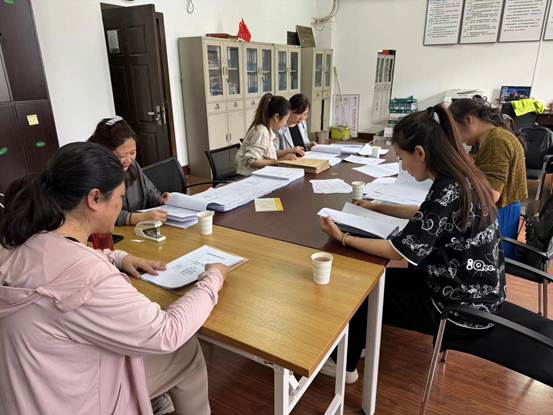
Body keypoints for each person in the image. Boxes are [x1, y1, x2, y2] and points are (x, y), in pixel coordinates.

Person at [0, 142, 229, 414]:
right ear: (95, 199)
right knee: (184, 351)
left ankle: (156, 400)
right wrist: (213, 278)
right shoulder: (90, 277)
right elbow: (166, 332)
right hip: (80, 401)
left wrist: (117, 257)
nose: (122, 205)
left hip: (33, 390)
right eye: (120, 196)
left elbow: (58, 264)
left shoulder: (21, 241)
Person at [319, 105, 506, 384]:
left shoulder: (448, 187)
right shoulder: (461, 176)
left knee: (365, 288)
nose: (403, 166)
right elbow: (429, 214)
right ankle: (361, 339)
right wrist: (378, 206)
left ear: (420, 152)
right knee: (383, 283)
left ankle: (344, 366)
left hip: (460, 307)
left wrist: (344, 238)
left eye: (401, 158)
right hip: (479, 291)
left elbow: (399, 251)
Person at [450, 98, 527, 258]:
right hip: (499, 208)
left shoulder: (496, 141)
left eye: (456, 131)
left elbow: (491, 194)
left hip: (500, 211)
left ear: (469, 120)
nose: (459, 139)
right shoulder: (490, 137)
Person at [89, 116, 169, 226]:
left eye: (132, 153)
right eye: (121, 156)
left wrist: (161, 199)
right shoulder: (94, 174)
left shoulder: (133, 165)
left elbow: (150, 192)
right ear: (104, 152)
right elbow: (99, 213)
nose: (128, 160)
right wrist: (135, 218)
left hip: (141, 228)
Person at [236, 93, 304, 175]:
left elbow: (270, 154)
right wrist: (278, 161)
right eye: (286, 120)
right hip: (249, 177)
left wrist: (288, 153)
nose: (285, 123)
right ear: (276, 117)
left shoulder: (267, 130)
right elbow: (252, 161)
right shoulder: (261, 131)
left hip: (260, 175)